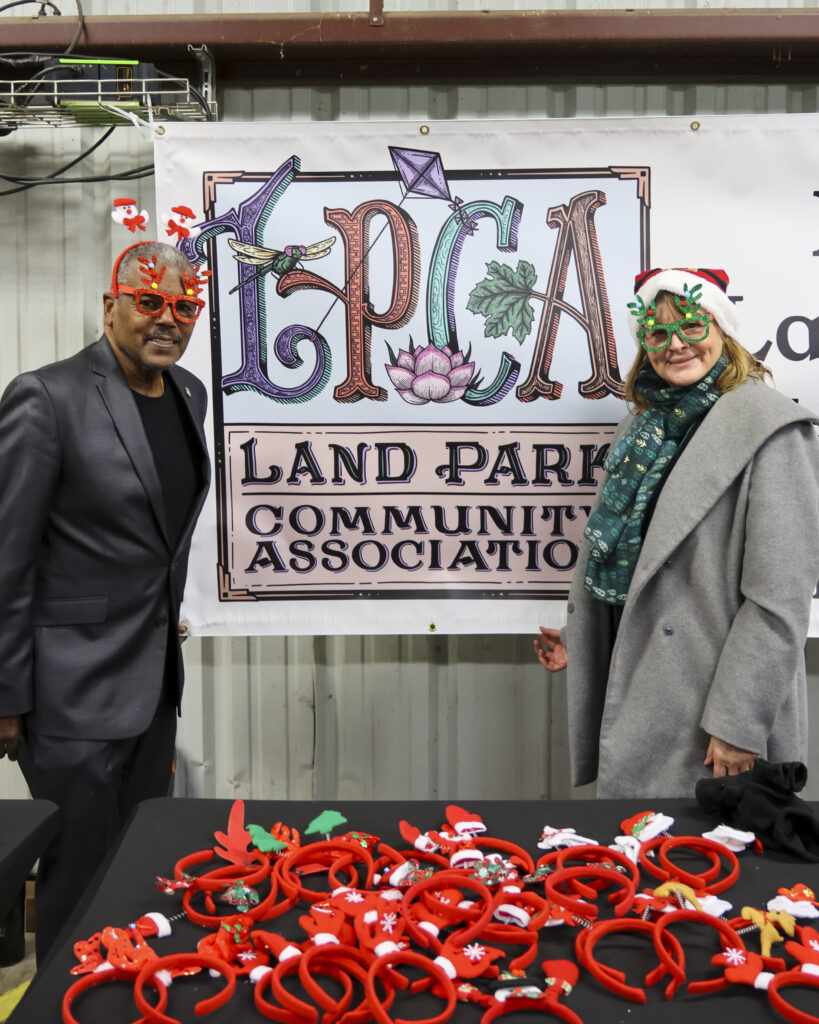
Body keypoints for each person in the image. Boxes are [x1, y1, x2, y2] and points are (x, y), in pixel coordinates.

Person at [0, 241, 211, 961]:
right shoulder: (46, 396)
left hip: (151, 685)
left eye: (184, 307)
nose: (167, 320)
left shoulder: (189, 395)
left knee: (139, 871)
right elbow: (8, 560)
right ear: (109, 306)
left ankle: (127, 1000)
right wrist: (7, 696)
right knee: (79, 879)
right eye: (149, 302)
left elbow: (152, 539)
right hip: (68, 692)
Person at [535, 267, 819, 799]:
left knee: (712, 869)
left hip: (715, 711)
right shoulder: (638, 430)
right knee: (639, 866)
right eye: (658, 333)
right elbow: (633, 564)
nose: (676, 345)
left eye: (691, 326)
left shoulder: (774, 431)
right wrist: (585, 639)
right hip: (646, 682)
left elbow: (778, 600)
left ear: (722, 330)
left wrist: (739, 721)